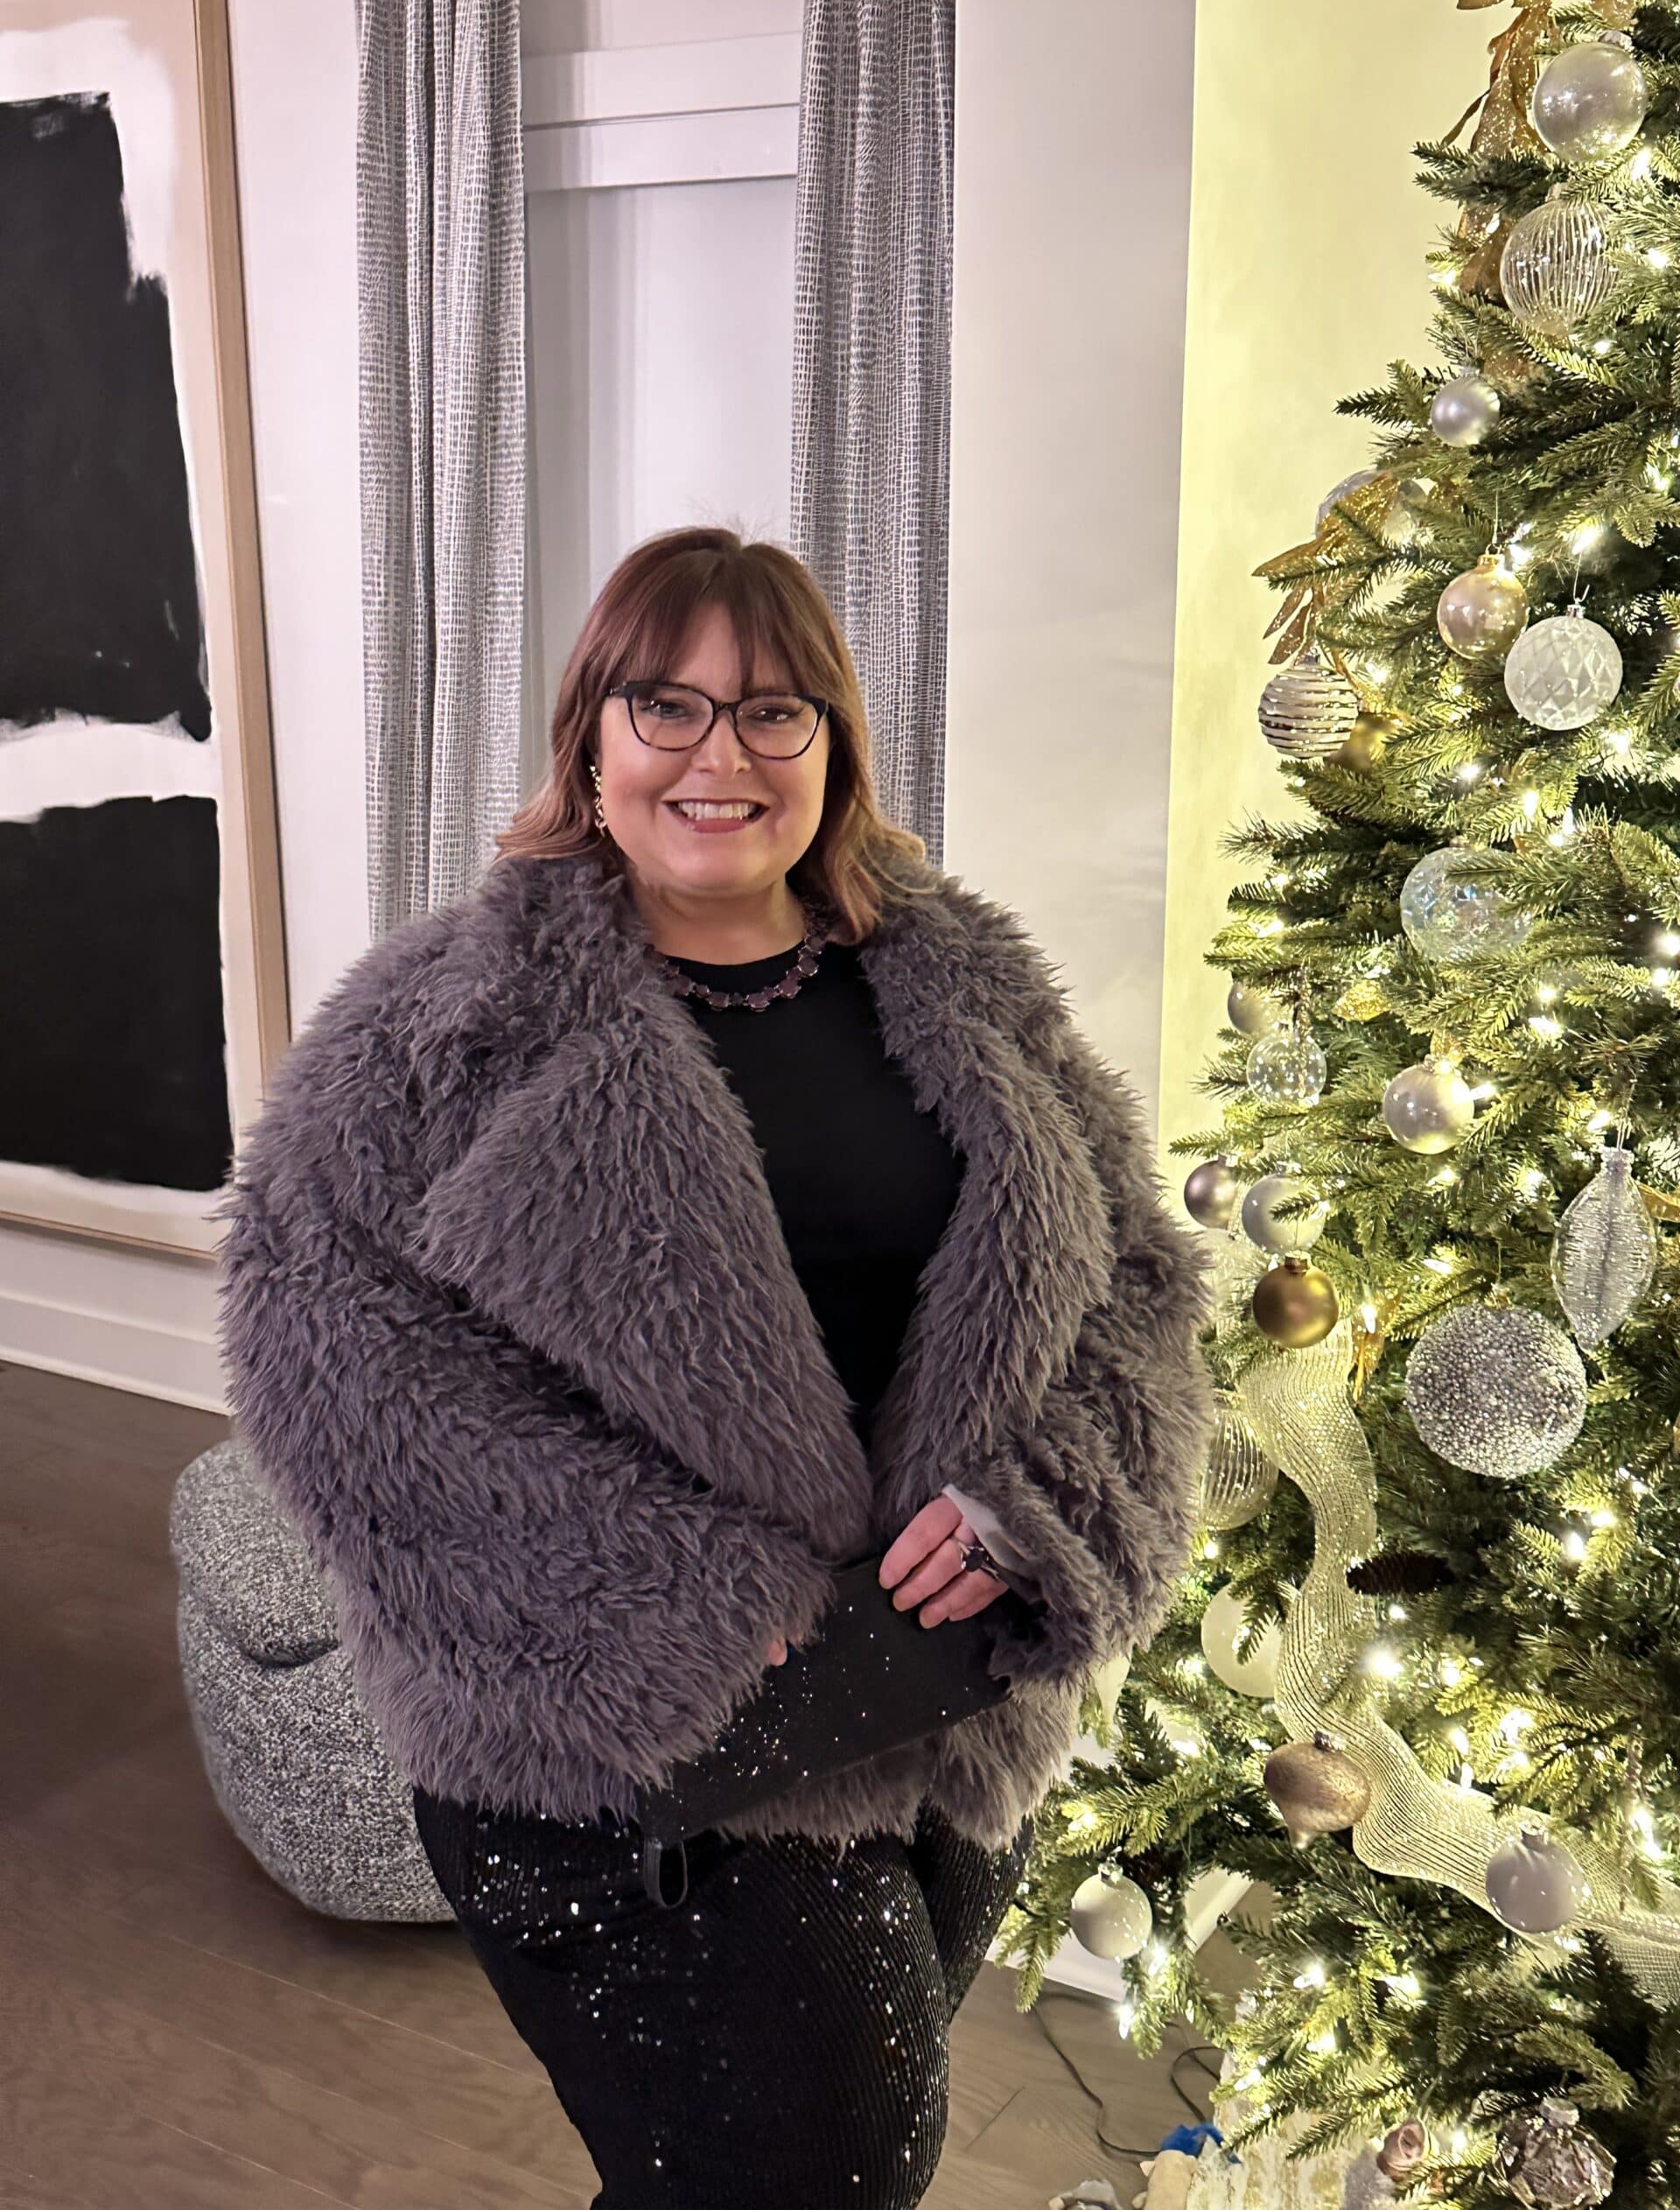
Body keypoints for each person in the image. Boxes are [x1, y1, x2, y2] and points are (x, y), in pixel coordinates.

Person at [216, 524, 1214, 2209]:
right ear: (589, 742)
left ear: (832, 747)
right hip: (624, 1742)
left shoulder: (955, 980)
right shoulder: (442, 1026)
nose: (719, 757)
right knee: (825, 2168)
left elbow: (1131, 1285)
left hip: (942, 1697)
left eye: (774, 714)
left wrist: (1034, 1505)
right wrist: (665, 1588)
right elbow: (328, 1352)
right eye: (665, 705)